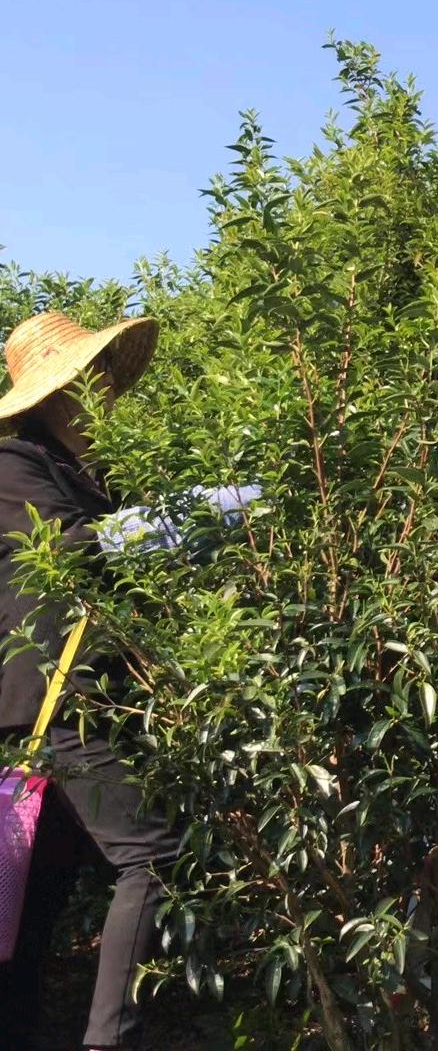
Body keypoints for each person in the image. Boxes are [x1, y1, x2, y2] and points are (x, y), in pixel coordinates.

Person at [0, 311, 254, 1050]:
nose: (105, 392)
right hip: (55, 702)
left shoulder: (87, 473)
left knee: (34, 896)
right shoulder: (12, 465)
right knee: (154, 856)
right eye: (91, 378)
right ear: (57, 394)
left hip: (87, 700)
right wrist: (200, 514)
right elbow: (73, 551)